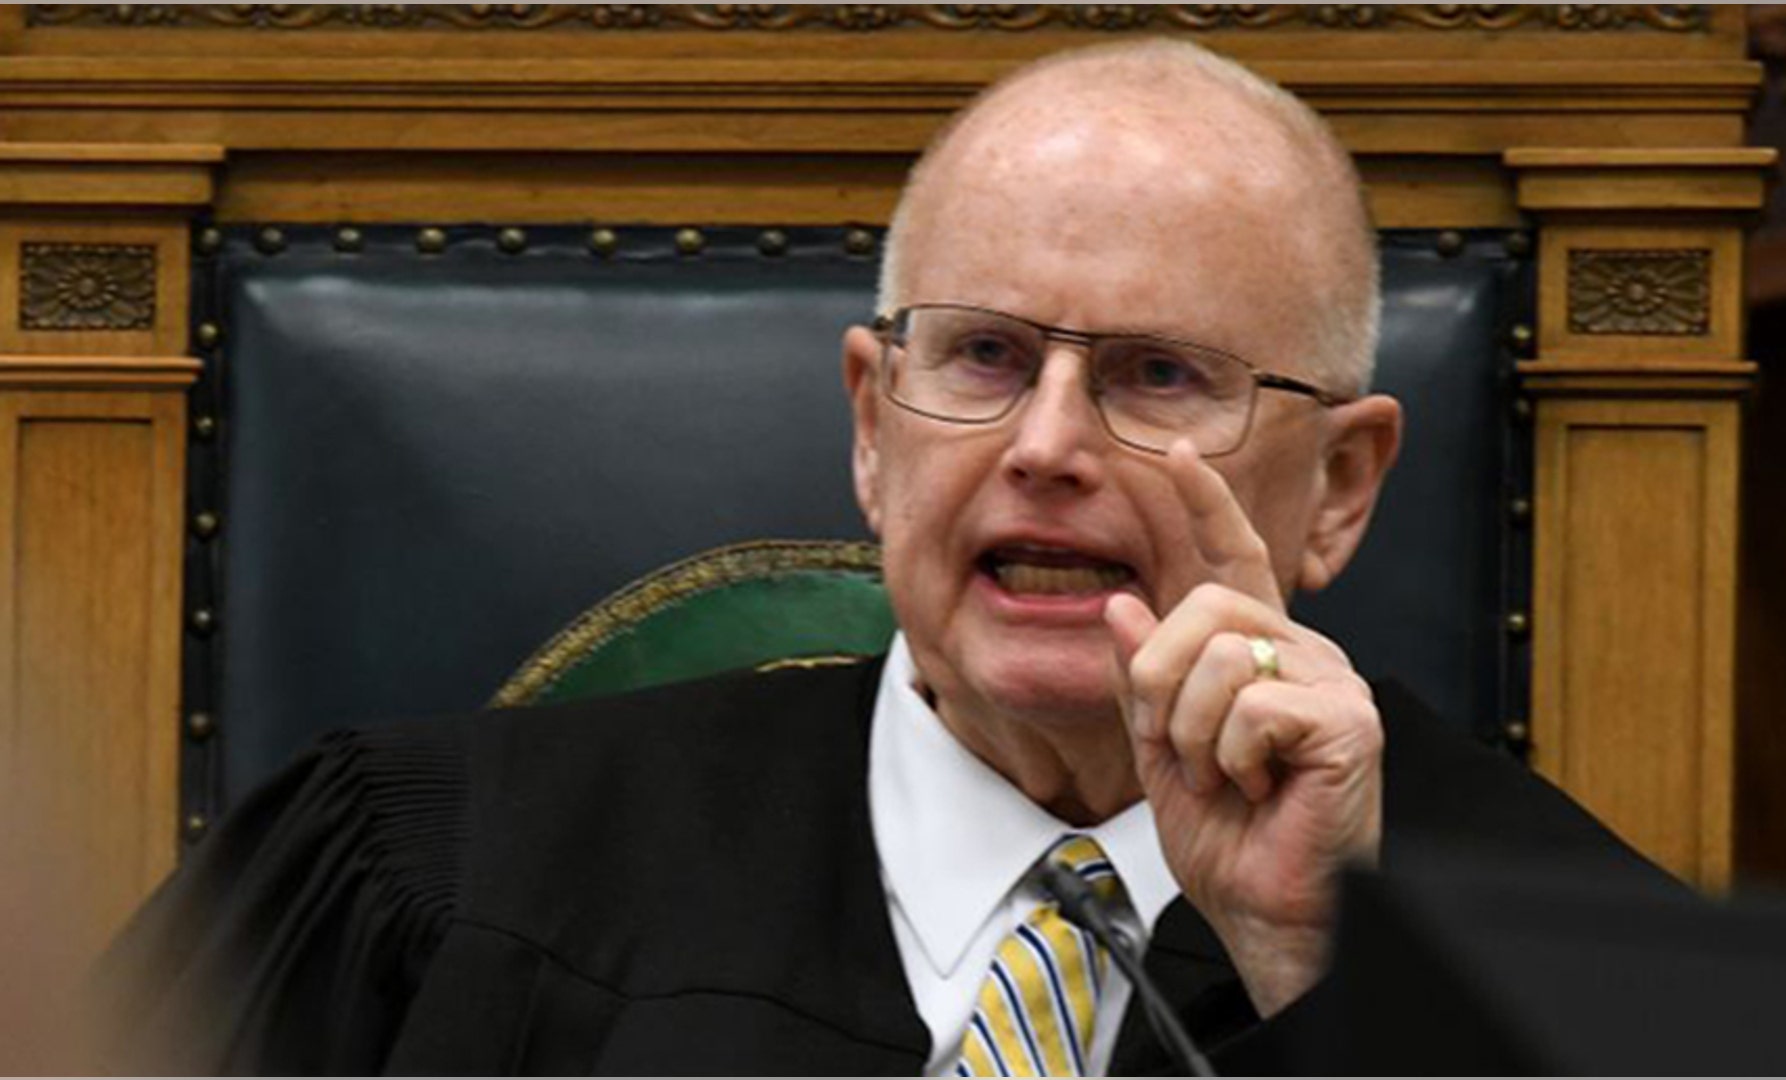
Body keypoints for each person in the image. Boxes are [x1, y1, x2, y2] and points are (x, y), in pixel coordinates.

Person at [97, 39, 1665, 1075]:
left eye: (1158, 375)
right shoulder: (423, 874)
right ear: (871, 424)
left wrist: (1325, 969)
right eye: (982, 356)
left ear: (1340, 486)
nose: (1047, 443)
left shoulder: (1585, 963)